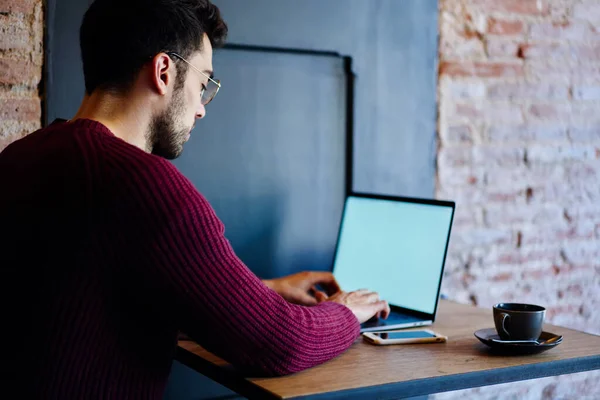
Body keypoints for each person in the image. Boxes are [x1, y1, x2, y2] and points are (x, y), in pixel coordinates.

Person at [0, 0, 389, 398]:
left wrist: (264, 289)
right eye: (203, 84)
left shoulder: (21, 157)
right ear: (164, 71)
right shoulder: (145, 186)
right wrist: (346, 311)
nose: (202, 109)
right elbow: (278, 343)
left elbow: (101, 301)